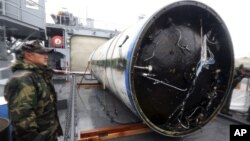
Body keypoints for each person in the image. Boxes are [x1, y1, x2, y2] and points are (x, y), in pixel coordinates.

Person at [4, 40, 63, 141]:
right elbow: (23, 122)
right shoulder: (22, 80)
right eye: (42, 53)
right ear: (29, 55)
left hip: (48, 135)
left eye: (46, 53)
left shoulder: (37, 75)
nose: (46, 56)